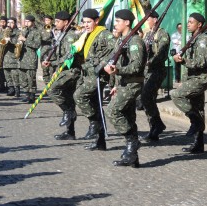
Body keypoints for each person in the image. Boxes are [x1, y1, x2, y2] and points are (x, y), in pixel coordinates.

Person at [104, 9, 146, 167]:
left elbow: (137, 65)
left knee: (112, 111)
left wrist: (118, 71)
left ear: (127, 22)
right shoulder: (120, 40)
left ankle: (132, 142)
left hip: (132, 83)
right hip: (122, 84)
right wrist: (114, 84)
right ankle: (132, 156)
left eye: (118, 21)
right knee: (128, 117)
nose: (115, 24)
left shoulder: (135, 41)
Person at [171, 13, 207, 154]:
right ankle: (198, 144)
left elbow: (200, 62)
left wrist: (183, 61)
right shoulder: (193, 38)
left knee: (176, 95)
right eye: (188, 21)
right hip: (191, 78)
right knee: (198, 108)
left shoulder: (203, 40)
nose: (188, 24)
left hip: (200, 79)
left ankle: (194, 120)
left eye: (191, 22)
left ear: (199, 24)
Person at [73, 9, 115, 150]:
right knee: (96, 106)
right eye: (84, 22)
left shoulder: (104, 34)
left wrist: (101, 64)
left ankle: (94, 123)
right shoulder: (86, 35)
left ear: (96, 21)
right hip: (87, 74)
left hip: (98, 76)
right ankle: (100, 141)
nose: (86, 25)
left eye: (89, 22)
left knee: (79, 96)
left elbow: (114, 51)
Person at [44, 11, 82, 140]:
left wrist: (54, 63)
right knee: (69, 99)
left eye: (58, 21)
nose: (55, 23)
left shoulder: (71, 36)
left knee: (52, 90)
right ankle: (70, 132)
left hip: (72, 71)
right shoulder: (63, 35)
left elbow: (69, 56)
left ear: (66, 22)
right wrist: (55, 67)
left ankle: (68, 112)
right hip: (65, 70)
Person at [140, 10, 170, 142]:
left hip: (157, 70)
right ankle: (155, 127)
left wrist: (149, 62)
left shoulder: (162, 34)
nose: (146, 21)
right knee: (147, 99)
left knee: (146, 96)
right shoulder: (147, 34)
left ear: (155, 20)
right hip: (146, 71)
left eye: (148, 19)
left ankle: (157, 125)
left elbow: (162, 53)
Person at [18, 15, 41, 103]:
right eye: (25, 21)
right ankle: (27, 95)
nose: (26, 23)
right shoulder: (24, 31)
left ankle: (32, 96)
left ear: (33, 22)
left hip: (31, 59)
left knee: (31, 78)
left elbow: (37, 45)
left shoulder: (36, 32)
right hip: (22, 58)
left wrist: (25, 40)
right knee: (23, 79)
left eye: (28, 21)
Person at [3, 18, 20, 97]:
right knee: (7, 74)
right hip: (6, 57)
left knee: (15, 75)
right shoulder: (5, 31)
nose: (9, 24)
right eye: (8, 22)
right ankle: (11, 88)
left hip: (14, 57)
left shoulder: (18, 32)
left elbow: (18, 43)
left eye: (12, 23)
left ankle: (17, 89)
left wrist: (10, 40)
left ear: (15, 23)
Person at [40, 15, 57, 83]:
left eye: (48, 20)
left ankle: (52, 87)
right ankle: (47, 86)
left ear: (51, 21)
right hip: (44, 52)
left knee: (52, 70)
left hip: (53, 52)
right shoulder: (42, 29)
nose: (46, 22)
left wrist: (52, 32)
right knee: (45, 71)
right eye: (45, 20)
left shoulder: (55, 28)